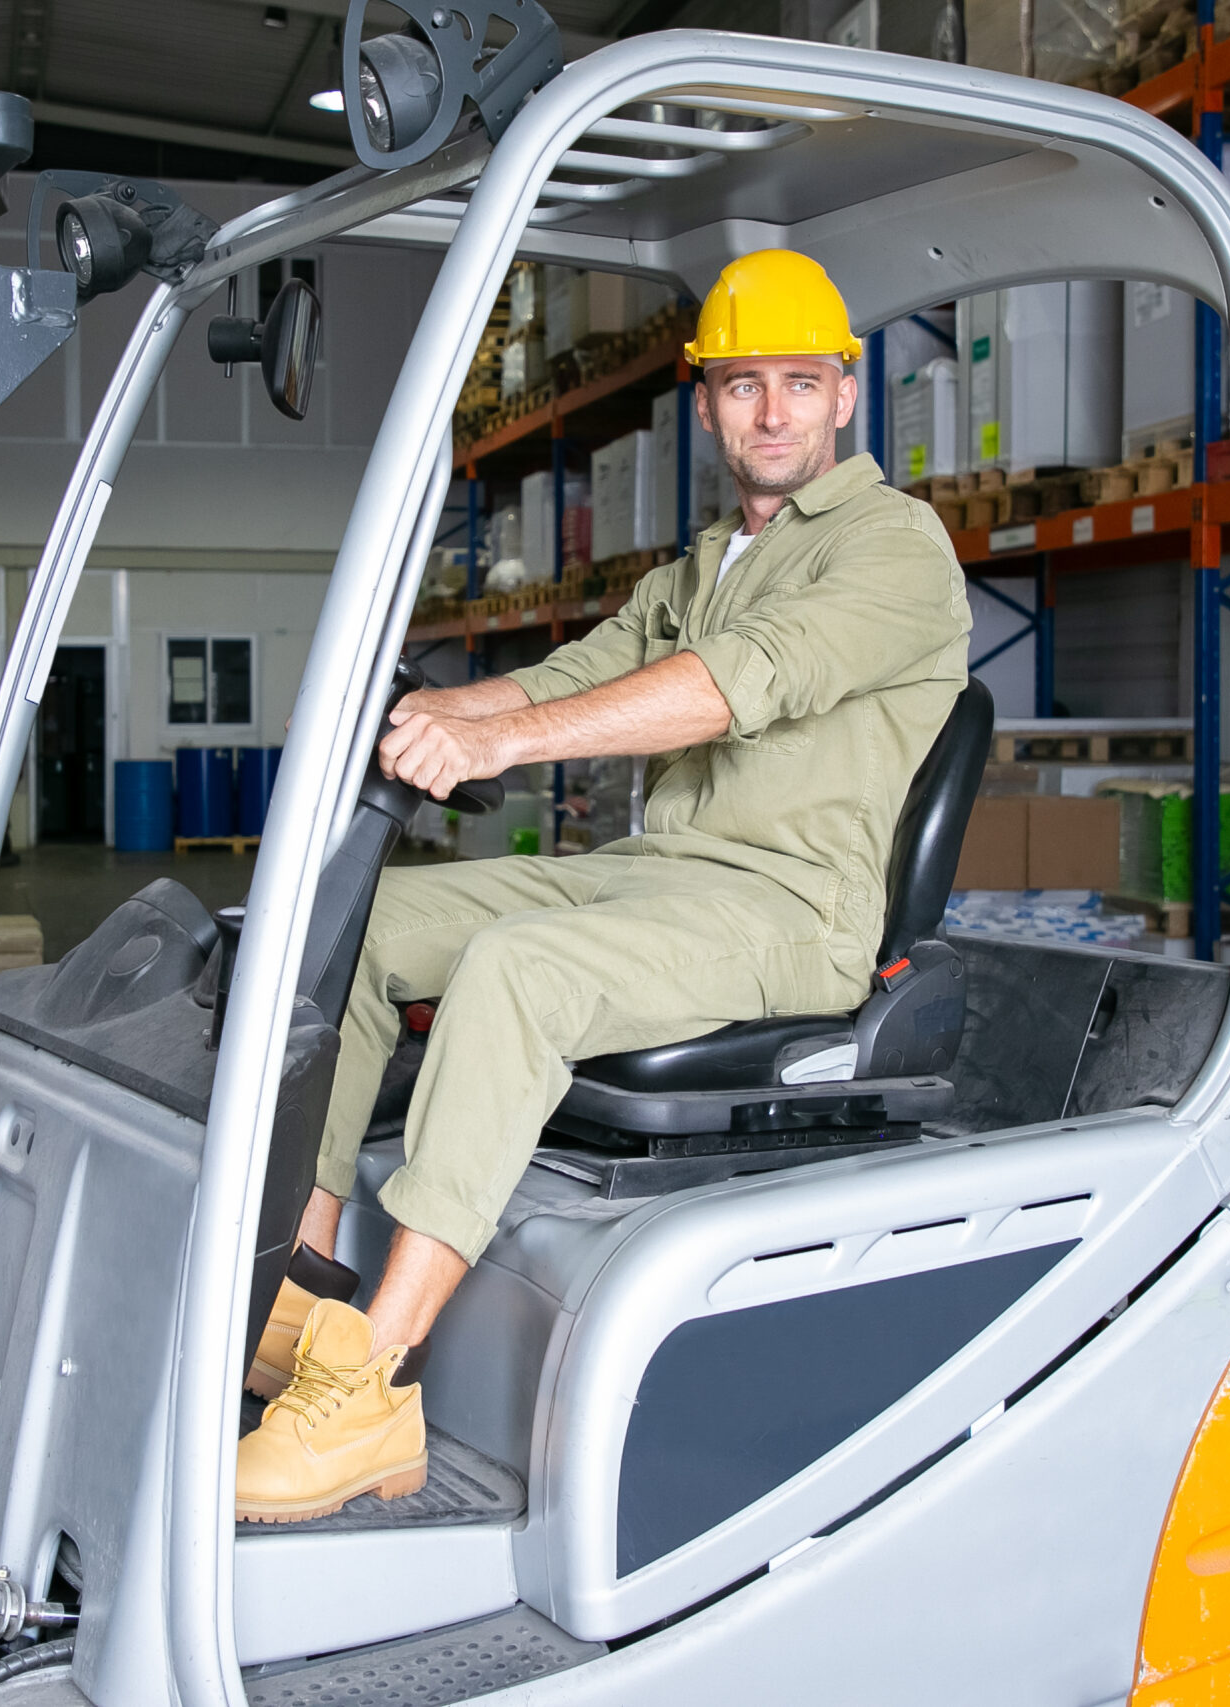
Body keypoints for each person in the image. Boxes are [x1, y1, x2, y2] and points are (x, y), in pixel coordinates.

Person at [234, 249, 973, 1523]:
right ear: (706, 404)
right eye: (745, 387)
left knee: (520, 971)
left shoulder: (895, 548)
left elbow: (747, 679)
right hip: (658, 880)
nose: (774, 414)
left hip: (791, 912)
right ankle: (299, 1292)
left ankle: (375, 1389)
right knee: (350, 921)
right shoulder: (699, 568)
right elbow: (574, 672)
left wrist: (497, 744)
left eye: (801, 384)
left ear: (846, 395)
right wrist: (417, 709)